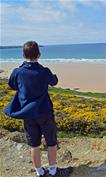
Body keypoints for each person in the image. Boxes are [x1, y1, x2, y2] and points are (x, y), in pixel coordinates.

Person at [4, 41, 73, 177]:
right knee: (51, 143)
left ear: (23, 55)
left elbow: (12, 85)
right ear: (39, 55)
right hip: (45, 112)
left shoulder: (17, 72)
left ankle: (39, 173)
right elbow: (54, 82)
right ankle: (53, 171)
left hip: (28, 114)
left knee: (34, 145)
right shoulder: (44, 71)